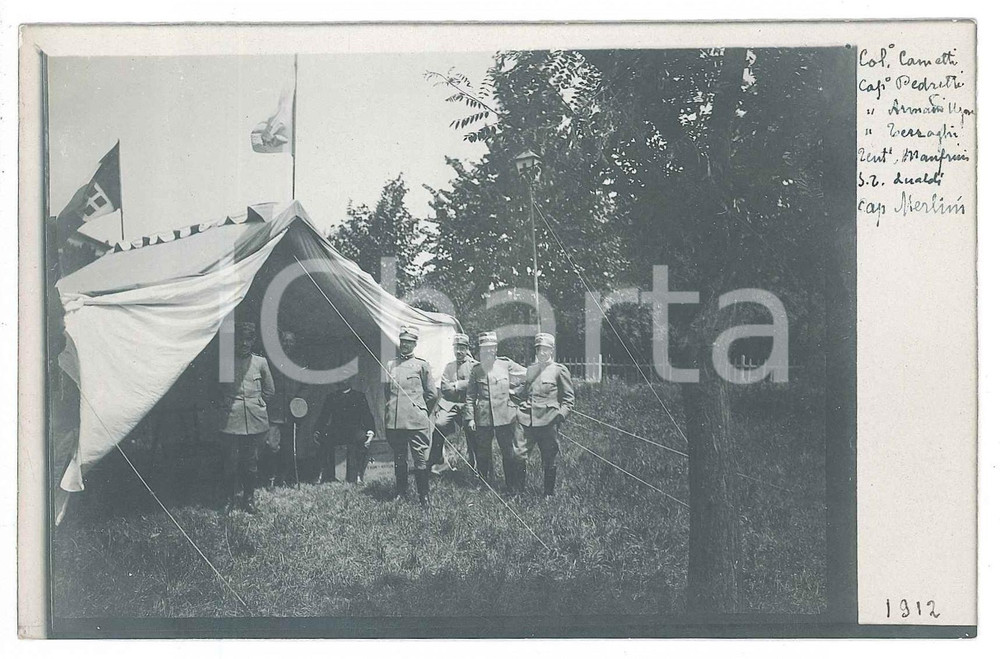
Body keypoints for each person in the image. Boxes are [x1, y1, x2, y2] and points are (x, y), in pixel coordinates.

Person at [218, 322, 275, 514]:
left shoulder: (260, 362)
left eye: (248, 339)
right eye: (241, 339)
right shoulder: (226, 362)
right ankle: (228, 500)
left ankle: (249, 499)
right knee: (230, 462)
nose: (244, 343)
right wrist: (225, 404)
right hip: (231, 419)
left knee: (251, 463)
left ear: (253, 341)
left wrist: (257, 403)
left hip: (254, 420)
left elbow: (270, 390)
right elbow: (217, 390)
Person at [463, 331, 526, 490]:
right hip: (483, 417)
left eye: (492, 347)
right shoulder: (476, 370)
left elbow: (528, 376)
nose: (489, 351)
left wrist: (516, 392)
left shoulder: (506, 364)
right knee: (483, 452)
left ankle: (511, 485)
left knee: (508, 451)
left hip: (505, 416)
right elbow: (470, 397)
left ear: (496, 348)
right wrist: (470, 418)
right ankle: (484, 484)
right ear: (481, 350)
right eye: (485, 348)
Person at [514, 333, 575, 496]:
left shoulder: (559, 370)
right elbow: (525, 391)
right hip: (527, 420)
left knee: (549, 458)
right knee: (519, 455)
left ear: (551, 350)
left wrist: (561, 415)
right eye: (539, 349)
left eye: (545, 349)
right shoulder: (531, 369)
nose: (542, 353)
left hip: (548, 421)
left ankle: (548, 494)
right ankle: (519, 493)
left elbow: (569, 398)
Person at [385, 325, 436, 506]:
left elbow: (432, 394)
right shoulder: (391, 365)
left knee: (420, 458)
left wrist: (420, 410)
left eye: (409, 342)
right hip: (396, 420)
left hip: (416, 420)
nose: (405, 345)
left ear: (415, 344)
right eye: (402, 341)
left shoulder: (422, 365)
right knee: (399, 457)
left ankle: (424, 496)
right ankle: (401, 492)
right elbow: (387, 392)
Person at [264, 330, 308, 488]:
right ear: (280, 342)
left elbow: (305, 386)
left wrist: (299, 403)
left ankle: (282, 478)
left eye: (291, 341)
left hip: (292, 413)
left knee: (289, 448)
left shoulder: (299, 363)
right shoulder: (271, 361)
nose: (288, 344)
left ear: (295, 343)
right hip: (274, 411)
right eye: (285, 341)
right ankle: (270, 477)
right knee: (271, 445)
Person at [430, 333, 477, 475]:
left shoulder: (474, 366)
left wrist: (456, 385)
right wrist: (461, 387)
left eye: (462, 348)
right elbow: (444, 387)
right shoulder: (449, 366)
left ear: (467, 349)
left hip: (468, 404)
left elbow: (474, 384)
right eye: (456, 348)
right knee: (439, 425)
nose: (459, 351)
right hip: (450, 404)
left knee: (472, 433)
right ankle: (438, 462)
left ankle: (476, 467)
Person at [315, 377, 376, 485]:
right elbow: (323, 416)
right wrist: (317, 430)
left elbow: (367, 415)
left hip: (354, 429)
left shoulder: (359, 396)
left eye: (345, 379)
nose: (343, 381)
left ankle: (358, 475)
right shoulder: (331, 397)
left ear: (350, 381)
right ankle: (323, 474)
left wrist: (370, 431)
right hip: (336, 430)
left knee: (362, 438)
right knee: (323, 438)